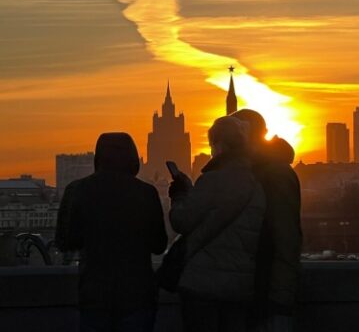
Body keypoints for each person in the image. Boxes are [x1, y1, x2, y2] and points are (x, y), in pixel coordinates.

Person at [56, 132, 167, 332]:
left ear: (98, 157)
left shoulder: (77, 190)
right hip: (137, 294)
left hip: (95, 294)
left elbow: (65, 240)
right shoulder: (146, 193)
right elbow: (159, 245)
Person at [169, 116, 266, 332]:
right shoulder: (256, 186)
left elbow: (182, 221)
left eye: (212, 144)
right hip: (239, 287)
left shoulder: (211, 180)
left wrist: (179, 196)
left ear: (220, 145)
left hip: (202, 285)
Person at [231, 109, 302, 331]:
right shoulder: (253, 170)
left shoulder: (274, 173)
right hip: (250, 289)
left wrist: (281, 296)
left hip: (265, 292)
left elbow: (286, 236)